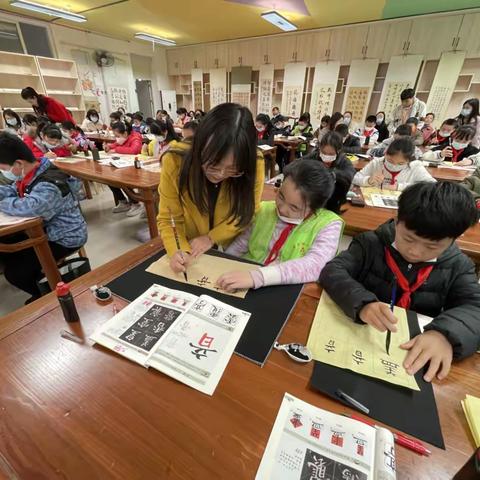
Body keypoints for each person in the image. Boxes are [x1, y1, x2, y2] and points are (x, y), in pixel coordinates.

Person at [319, 181, 480, 382]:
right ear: (397, 221)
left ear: (454, 239)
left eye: (431, 247)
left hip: (414, 355)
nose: (415, 251)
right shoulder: (370, 244)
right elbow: (333, 270)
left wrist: (445, 335)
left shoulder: (459, 265)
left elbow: (474, 307)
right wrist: (363, 303)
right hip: (362, 341)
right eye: (409, 239)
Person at [157, 103, 265, 274]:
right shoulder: (176, 161)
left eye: (233, 169)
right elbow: (169, 218)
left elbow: (247, 211)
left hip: (232, 247)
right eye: (213, 165)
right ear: (200, 146)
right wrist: (177, 250)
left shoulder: (254, 163)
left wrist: (211, 238)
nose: (221, 174)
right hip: (190, 245)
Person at [216, 160, 346, 291]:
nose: (282, 209)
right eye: (281, 196)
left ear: (315, 208)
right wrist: (220, 264)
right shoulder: (264, 209)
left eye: (294, 207)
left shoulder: (329, 224)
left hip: (284, 290)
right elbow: (241, 245)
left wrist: (257, 277)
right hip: (245, 279)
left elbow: (314, 265)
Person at [0, 132, 87, 302]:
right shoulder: (31, 172)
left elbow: (30, 207)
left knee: (16, 273)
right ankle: (42, 283)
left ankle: (48, 296)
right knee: (6, 253)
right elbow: (13, 190)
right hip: (46, 229)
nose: (4, 173)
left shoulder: (49, 183)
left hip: (65, 237)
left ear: (18, 163)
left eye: (3, 169)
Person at [354, 137, 434, 191]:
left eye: (401, 163)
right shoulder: (377, 162)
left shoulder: (415, 166)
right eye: (390, 161)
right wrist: (368, 180)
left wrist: (399, 187)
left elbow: (433, 185)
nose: (394, 165)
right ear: (385, 153)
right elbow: (355, 178)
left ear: (409, 160)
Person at [104, 122, 143, 215]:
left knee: (124, 179)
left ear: (125, 133)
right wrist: (109, 146)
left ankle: (136, 203)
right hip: (123, 165)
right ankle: (122, 201)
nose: (116, 138)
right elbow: (116, 144)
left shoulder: (135, 138)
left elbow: (133, 151)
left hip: (136, 167)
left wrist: (115, 150)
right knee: (109, 178)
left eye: (117, 135)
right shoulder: (123, 138)